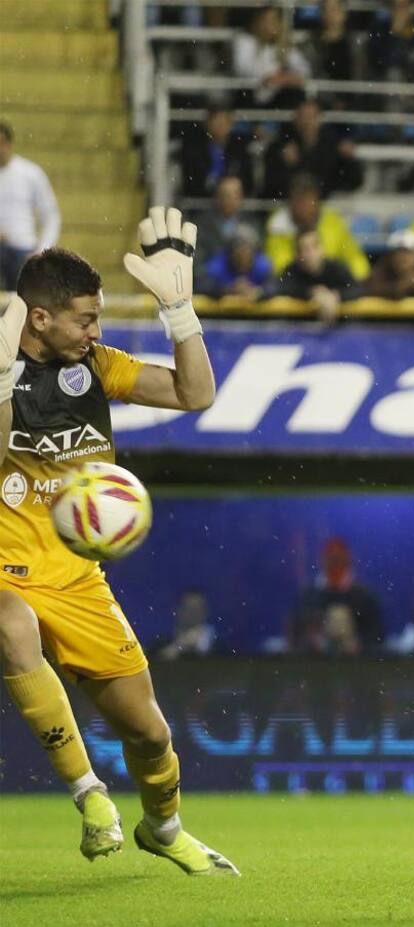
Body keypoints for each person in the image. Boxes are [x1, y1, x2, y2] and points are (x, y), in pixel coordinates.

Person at [0, 208, 237, 874]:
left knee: (149, 731)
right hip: (4, 568)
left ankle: (163, 827)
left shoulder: (97, 365)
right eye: (86, 318)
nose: (96, 330)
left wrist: (181, 311)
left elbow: (196, 392)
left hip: (77, 580)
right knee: (11, 627)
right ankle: (89, 793)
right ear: (40, 319)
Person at [264, 174, 369, 279]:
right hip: (296, 286)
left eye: (308, 199)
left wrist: (345, 278)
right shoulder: (278, 225)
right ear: (290, 201)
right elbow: (280, 268)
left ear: (317, 199)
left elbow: (357, 261)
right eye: (299, 199)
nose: (303, 206)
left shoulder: (333, 221)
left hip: (335, 284)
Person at [292, 539, 386, 656]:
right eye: (331, 557)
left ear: (348, 559)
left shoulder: (365, 597)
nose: (335, 562)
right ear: (322, 559)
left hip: (357, 665)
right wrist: (313, 643)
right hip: (315, 664)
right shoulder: (308, 596)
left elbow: (377, 633)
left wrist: (359, 645)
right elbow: (295, 631)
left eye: (339, 558)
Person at [262, 99, 363, 200]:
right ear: (295, 119)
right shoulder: (280, 146)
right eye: (303, 116)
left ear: (320, 119)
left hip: (325, 204)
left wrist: (350, 160)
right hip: (289, 204)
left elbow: (354, 182)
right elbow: (271, 184)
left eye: (311, 116)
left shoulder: (333, 146)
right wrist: (288, 166)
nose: (307, 121)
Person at [0, 121, 60, 290]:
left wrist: (42, 250)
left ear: (10, 144)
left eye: (2, 143)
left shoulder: (31, 173)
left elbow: (51, 216)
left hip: (23, 250)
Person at [231, 5, 311, 107]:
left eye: (273, 20)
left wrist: (284, 78)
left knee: (296, 94)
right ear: (257, 21)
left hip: (275, 95)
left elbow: (304, 69)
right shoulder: (244, 40)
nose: (268, 24)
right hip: (250, 93)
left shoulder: (284, 45)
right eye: (265, 19)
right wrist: (270, 77)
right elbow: (242, 69)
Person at [277, 229, 363, 320]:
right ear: (297, 254)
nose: (310, 254)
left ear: (322, 249)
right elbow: (280, 289)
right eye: (304, 249)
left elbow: (358, 289)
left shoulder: (336, 268)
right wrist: (311, 293)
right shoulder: (292, 270)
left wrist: (335, 295)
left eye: (314, 247)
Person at [178, 105, 255, 199]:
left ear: (231, 124)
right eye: (216, 122)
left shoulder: (240, 146)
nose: (220, 126)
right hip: (201, 202)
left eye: (224, 122)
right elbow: (190, 182)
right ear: (207, 123)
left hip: (233, 201)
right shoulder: (193, 147)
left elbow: (247, 181)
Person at [193, 174, 252, 269]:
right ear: (217, 196)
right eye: (225, 195)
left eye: (235, 195)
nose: (230, 199)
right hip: (211, 280)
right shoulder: (202, 225)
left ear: (241, 197)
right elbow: (198, 262)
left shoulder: (251, 223)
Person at [199, 224, 273, 300]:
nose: (243, 256)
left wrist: (258, 291)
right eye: (239, 250)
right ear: (231, 252)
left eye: (247, 251)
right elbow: (202, 286)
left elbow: (275, 287)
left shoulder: (262, 266)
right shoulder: (218, 266)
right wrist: (228, 290)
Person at [157, 590, 216, 661]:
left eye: (197, 609)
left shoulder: (218, 648)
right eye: (189, 608)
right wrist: (178, 646)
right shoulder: (162, 643)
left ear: (205, 612)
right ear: (178, 610)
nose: (192, 613)